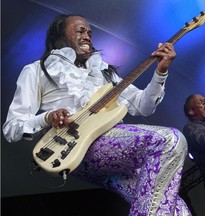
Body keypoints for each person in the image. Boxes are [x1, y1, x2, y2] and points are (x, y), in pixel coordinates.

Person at [2, 14, 192, 216]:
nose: (87, 36)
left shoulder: (104, 73)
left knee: (178, 210)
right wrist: (47, 117)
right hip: (74, 150)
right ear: (60, 34)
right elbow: (12, 128)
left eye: (90, 33)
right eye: (80, 30)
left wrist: (160, 73)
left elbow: (143, 106)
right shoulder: (35, 71)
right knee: (169, 139)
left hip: (118, 157)